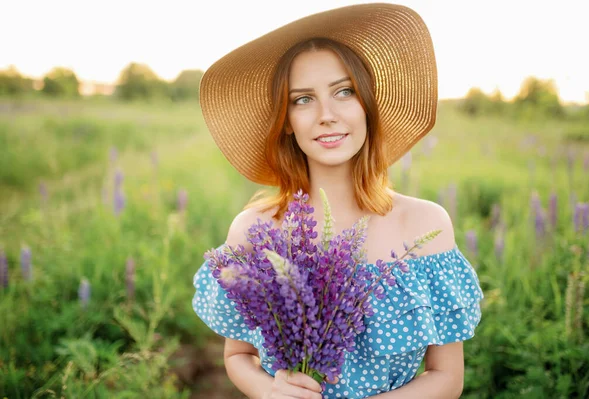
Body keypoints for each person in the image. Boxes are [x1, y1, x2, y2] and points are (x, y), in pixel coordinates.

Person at [192, 3, 484, 398]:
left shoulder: (423, 225)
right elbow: (237, 356)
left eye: (344, 92)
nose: (326, 115)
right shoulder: (255, 229)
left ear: (367, 106)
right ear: (287, 124)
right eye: (302, 99)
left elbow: (447, 377)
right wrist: (269, 391)